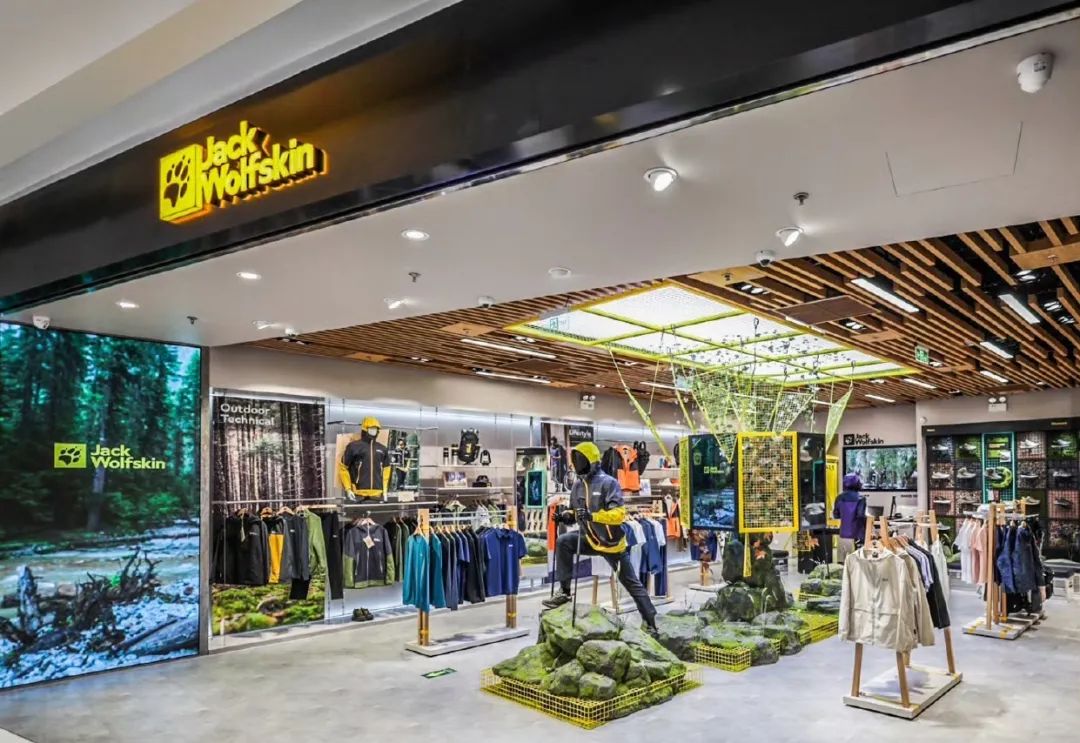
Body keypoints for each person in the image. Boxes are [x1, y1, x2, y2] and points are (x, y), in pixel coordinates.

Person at [542, 442, 658, 632]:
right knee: (564, 542)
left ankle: (650, 621)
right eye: (575, 459)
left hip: (612, 544)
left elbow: (618, 514)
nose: (576, 463)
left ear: (591, 460)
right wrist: (566, 516)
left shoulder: (608, 483)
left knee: (631, 583)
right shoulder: (578, 485)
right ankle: (564, 591)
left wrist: (593, 516)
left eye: (580, 459)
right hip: (590, 538)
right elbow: (575, 512)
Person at [833, 473, 867, 564]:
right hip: (858, 534)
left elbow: (836, 515)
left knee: (842, 563)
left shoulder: (839, 498)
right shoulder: (861, 498)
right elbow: (860, 515)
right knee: (857, 562)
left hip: (843, 534)